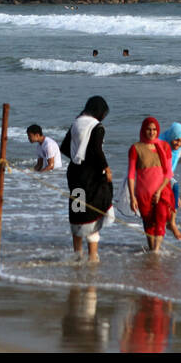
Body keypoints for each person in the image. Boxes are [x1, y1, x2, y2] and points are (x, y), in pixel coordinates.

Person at [62, 96, 113, 262]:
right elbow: (97, 150)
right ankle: (92, 257)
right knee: (93, 212)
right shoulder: (97, 126)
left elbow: (64, 147)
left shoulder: (76, 122)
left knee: (77, 211)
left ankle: (77, 254)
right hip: (92, 176)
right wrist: (106, 167)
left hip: (75, 174)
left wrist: (77, 157)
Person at [126, 116, 176, 252]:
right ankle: (152, 251)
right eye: (148, 129)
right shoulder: (135, 148)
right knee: (148, 224)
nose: (152, 132)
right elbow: (131, 175)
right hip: (143, 193)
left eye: (154, 129)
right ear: (143, 130)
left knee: (160, 218)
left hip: (162, 191)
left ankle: (156, 251)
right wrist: (132, 197)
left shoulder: (164, 146)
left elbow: (168, 173)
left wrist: (159, 191)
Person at [158, 121, 181, 240]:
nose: (178, 144)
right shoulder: (160, 143)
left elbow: (172, 167)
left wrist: (174, 195)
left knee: (175, 193)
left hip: (166, 175)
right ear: (171, 136)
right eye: (176, 140)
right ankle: (171, 224)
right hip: (155, 172)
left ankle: (170, 223)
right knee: (174, 187)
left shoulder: (180, 149)